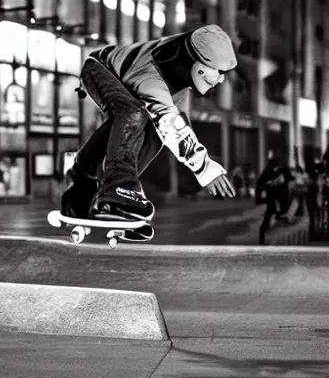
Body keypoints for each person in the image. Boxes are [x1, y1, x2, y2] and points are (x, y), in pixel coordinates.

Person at [60, 26, 239, 229]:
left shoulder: (181, 73)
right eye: (219, 72)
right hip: (99, 68)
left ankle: (86, 190)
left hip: (131, 84)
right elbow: (172, 126)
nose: (221, 79)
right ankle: (117, 191)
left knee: (155, 133)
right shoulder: (153, 77)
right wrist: (204, 167)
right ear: (199, 65)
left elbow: (175, 124)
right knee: (133, 113)